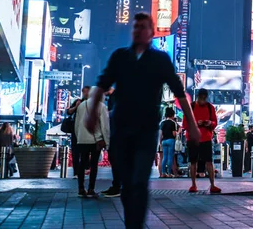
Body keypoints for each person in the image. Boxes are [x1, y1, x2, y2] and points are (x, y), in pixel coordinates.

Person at [85, 12, 200, 228]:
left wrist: (192, 125)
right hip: (121, 130)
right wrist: (91, 113)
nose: (138, 30)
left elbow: (179, 92)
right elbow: (101, 85)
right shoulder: (120, 57)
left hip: (146, 132)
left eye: (143, 27)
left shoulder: (160, 59)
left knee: (139, 181)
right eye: (135, 26)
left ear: (152, 32)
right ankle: (132, 223)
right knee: (127, 184)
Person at [184, 88, 220, 193]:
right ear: (198, 97)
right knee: (193, 161)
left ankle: (212, 185)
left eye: (204, 98)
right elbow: (185, 124)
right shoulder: (191, 107)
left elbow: (214, 122)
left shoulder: (210, 107)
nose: (203, 100)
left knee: (209, 161)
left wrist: (210, 123)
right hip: (193, 138)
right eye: (201, 98)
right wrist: (196, 124)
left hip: (206, 138)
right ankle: (193, 185)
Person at [75, 94, 110, 198]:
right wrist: (107, 141)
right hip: (96, 140)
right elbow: (105, 126)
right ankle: (91, 189)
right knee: (94, 164)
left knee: (82, 163)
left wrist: (79, 137)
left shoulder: (81, 105)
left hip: (82, 139)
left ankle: (81, 188)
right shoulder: (101, 106)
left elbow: (76, 124)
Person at [101, 88, 121, 197]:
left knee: (116, 159)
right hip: (116, 133)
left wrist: (106, 113)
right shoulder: (113, 97)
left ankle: (117, 186)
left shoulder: (117, 96)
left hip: (117, 134)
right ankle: (117, 185)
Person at [67, 86, 91, 177]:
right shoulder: (78, 102)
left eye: (87, 92)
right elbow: (69, 112)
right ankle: (76, 172)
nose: (86, 94)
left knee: (86, 151)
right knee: (75, 152)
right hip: (76, 130)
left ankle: (85, 168)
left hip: (87, 131)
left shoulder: (92, 103)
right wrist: (76, 107)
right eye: (84, 92)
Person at [159, 107, 178, 178]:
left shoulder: (162, 123)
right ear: (172, 115)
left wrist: (160, 142)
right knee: (170, 157)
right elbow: (173, 134)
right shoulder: (173, 123)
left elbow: (161, 133)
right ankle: (169, 173)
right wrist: (177, 134)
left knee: (164, 157)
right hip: (171, 140)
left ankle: (163, 173)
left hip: (164, 141)